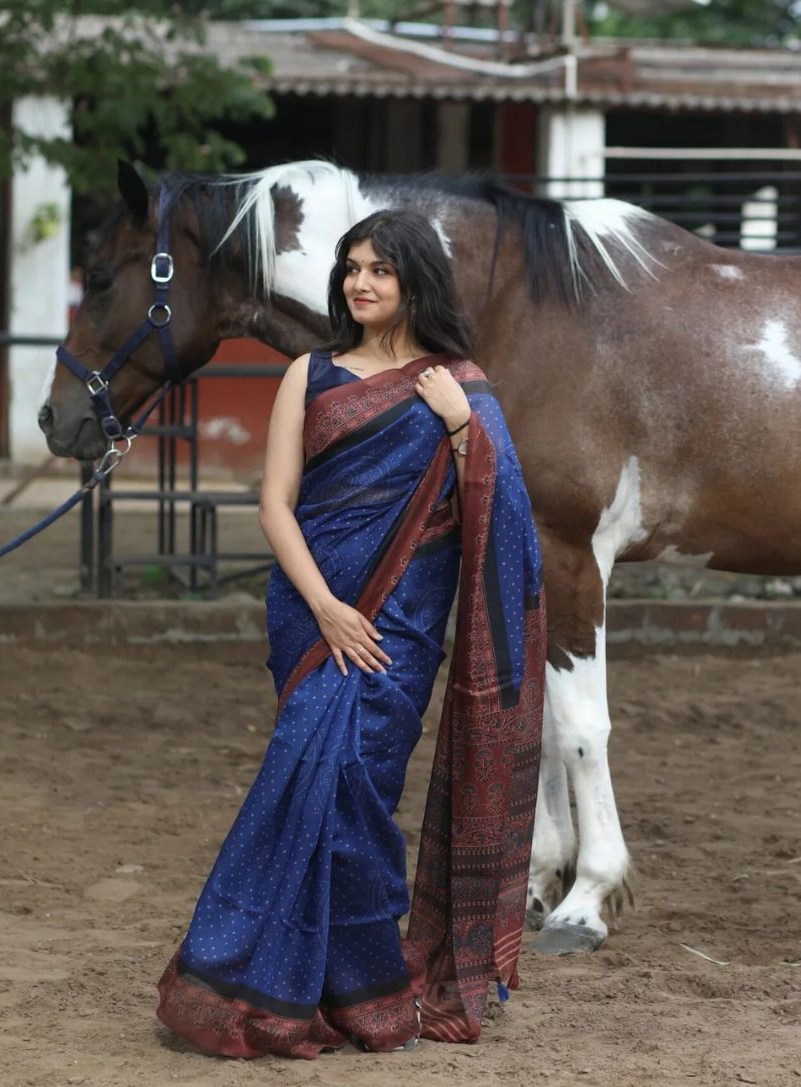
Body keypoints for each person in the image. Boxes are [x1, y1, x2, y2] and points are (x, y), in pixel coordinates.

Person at [156, 209, 546, 1058]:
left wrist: (460, 426)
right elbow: (275, 503)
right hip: (312, 613)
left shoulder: (458, 385)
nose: (359, 283)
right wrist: (327, 605)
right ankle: (260, 982)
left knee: (357, 793)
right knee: (305, 777)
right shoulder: (311, 372)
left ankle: (358, 992)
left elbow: (503, 518)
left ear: (415, 281)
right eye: (351, 268)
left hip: (399, 628)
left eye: (379, 270)